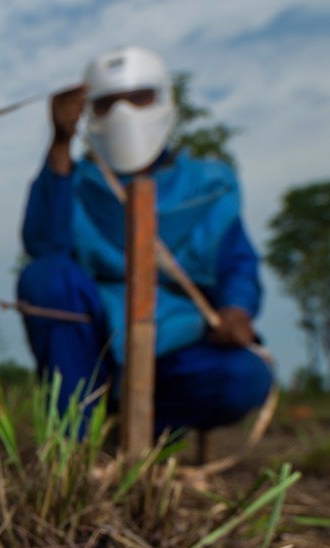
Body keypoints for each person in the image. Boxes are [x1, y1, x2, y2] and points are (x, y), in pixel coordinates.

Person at [17, 44, 272, 435]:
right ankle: (72, 441)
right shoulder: (77, 180)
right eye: (107, 103)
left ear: (164, 101)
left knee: (245, 377)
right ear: (89, 112)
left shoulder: (208, 184)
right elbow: (45, 246)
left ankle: (140, 434)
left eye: (138, 98)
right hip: (92, 347)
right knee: (46, 277)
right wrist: (60, 144)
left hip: (180, 345)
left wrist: (236, 311)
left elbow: (237, 264)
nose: (124, 114)